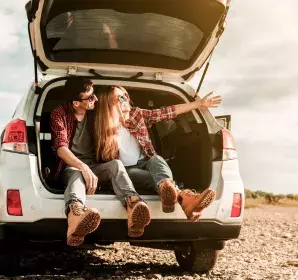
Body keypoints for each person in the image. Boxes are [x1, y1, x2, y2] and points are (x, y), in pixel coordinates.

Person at [94, 86, 222, 221]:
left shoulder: (136, 115)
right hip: (124, 172)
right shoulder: (99, 126)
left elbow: (165, 112)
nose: (126, 100)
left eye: (126, 96)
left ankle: (168, 192)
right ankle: (185, 199)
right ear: (107, 102)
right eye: (120, 98)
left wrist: (199, 104)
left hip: (145, 163)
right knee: (152, 178)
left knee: (157, 159)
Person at [50, 78, 151, 247]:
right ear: (76, 103)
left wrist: (121, 99)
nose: (95, 100)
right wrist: (82, 167)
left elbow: (115, 108)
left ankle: (133, 206)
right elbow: (61, 148)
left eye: (94, 95)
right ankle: (75, 216)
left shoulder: (95, 112)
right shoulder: (59, 114)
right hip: (70, 166)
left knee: (116, 165)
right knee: (76, 175)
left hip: (96, 165)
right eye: (90, 98)